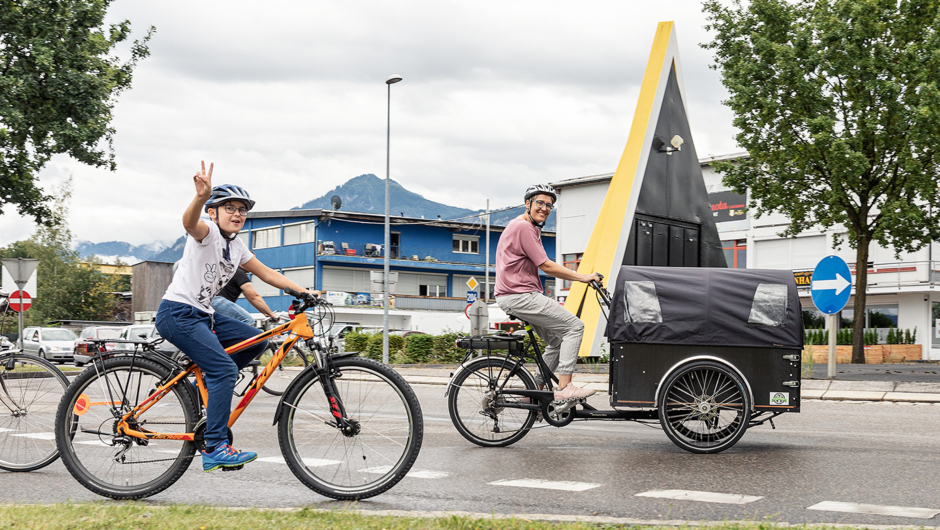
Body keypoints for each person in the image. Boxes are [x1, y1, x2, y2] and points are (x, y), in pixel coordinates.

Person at [155, 161, 317, 473]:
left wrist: (305, 292)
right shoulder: (207, 233)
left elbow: (267, 273)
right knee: (225, 372)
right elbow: (190, 223)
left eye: (242, 209)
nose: (238, 214)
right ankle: (215, 447)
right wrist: (201, 198)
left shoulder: (237, 246)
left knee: (256, 341)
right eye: (229, 207)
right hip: (178, 313)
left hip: (204, 316)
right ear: (214, 213)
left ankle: (198, 383)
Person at [494, 183, 601, 403]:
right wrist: (584, 277)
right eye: (540, 203)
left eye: (549, 205)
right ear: (528, 204)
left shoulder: (525, 227)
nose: (544, 208)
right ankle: (565, 387)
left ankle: (534, 392)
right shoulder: (523, 227)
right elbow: (547, 266)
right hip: (520, 295)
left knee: (557, 341)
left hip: (515, 295)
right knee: (574, 326)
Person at [211, 266, 277, 326]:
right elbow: (253, 296)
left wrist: (265, 312)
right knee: (247, 321)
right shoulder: (239, 272)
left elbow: (250, 297)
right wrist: (271, 314)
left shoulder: (228, 271)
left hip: (208, 302)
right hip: (217, 301)